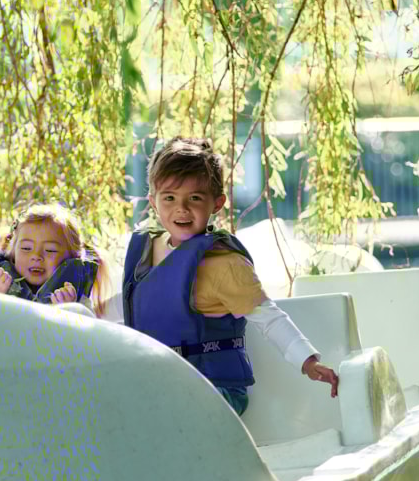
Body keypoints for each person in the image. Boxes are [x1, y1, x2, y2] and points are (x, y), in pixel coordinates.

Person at [122, 137, 339, 415]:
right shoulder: (148, 250)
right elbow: (127, 304)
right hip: (162, 384)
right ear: (153, 202)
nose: (182, 208)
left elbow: (269, 318)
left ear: (217, 203)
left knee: (157, 411)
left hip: (214, 390)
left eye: (195, 198)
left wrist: (307, 361)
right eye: (170, 198)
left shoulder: (225, 264)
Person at [0, 203, 113, 315]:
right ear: (13, 254)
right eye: (26, 248)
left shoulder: (79, 304)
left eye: (50, 250)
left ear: (72, 258)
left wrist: (70, 311)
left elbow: (86, 334)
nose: (36, 256)